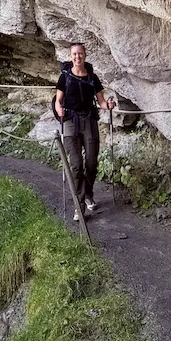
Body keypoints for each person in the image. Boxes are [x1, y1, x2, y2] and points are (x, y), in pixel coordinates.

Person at [53, 42, 115, 217]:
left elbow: (101, 101)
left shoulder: (92, 78)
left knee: (91, 163)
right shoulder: (65, 77)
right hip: (70, 121)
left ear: (85, 55)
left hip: (88, 119)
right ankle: (79, 207)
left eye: (80, 54)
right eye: (74, 54)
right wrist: (59, 109)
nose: (77, 57)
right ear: (70, 56)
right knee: (76, 165)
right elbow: (58, 100)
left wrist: (108, 105)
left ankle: (88, 194)